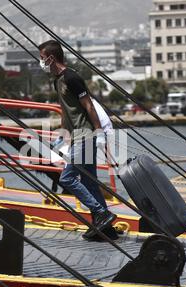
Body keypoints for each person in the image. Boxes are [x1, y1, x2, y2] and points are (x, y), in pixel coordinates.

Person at [38, 40, 116, 240]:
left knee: (67, 178)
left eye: (41, 58)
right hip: (76, 136)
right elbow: (66, 110)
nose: (41, 62)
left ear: (51, 58)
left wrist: (98, 132)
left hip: (86, 134)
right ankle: (106, 229)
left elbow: (88, 105)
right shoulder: (57, 80)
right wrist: (62, 136)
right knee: (89, 181)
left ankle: (101, 213)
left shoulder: (72, 77)